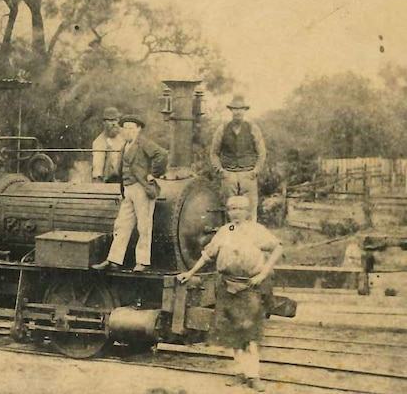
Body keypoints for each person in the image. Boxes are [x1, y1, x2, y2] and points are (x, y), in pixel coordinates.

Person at [177, 195, 283, 392]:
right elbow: (208, 255)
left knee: (249, 334)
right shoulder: (227, 230)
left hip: (250, 287)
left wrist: (263, 273)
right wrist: (190, 273)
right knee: (234, 334)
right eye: (232, 209)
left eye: (240, 209)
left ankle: (254, 376)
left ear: (248, 210)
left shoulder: (257, 230)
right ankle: (240, 373)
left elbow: (278, 248)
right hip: (227, 286)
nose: (235, 212)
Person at [92, 114, 168, 272]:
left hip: (142, 189)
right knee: (121, 225)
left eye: (131, 128)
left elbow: (161, 155)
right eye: (125, 128)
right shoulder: (124, 145)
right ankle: (114, 260)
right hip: (128, 190)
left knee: (143, 226)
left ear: (138, 129)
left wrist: (153, 174)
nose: (127, 131)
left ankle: (142, 262)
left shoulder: (143, 143)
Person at [210, 95, 267, 222]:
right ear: (231, 111)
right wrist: (220, 171)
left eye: (241, 109)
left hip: (248, 174)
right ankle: (230, 237)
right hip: (229, 175)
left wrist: (256, 170)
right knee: (230, 209)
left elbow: (261, 152)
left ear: (245, 111)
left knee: (250, 210)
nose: (238, 112)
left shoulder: (253, 128)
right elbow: (214, 152)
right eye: (235, 109)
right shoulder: (223, 128)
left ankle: (250, 238)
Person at [92, 107, 124, 183]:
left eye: (115, 120)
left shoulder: (125, 135)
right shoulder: (99, 142)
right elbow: (98, 166)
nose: (113, 123)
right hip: (112, 180)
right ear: (104, 122)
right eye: (110, 120)